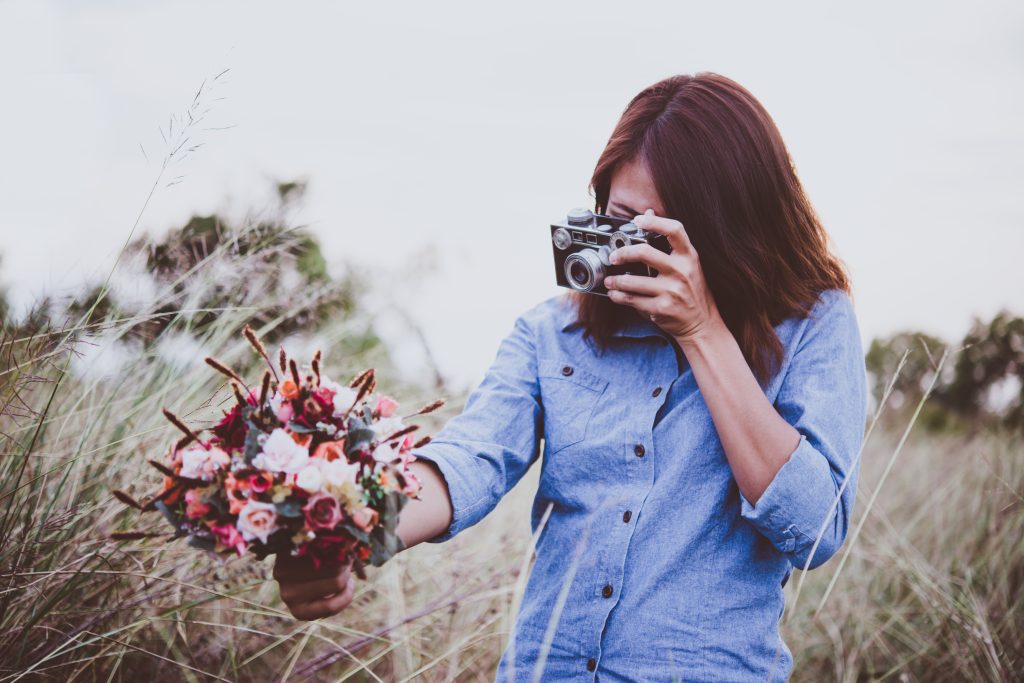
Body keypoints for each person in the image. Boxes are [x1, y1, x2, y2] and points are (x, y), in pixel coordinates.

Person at [274, 72, 868, 682]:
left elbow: (814, 528)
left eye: (666, 236)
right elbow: (471, 457)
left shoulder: (813, 324)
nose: (637, 251)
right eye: (621, 220)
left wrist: (702, 332)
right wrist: (355, 527)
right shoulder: (549, 333)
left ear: (731, 232)